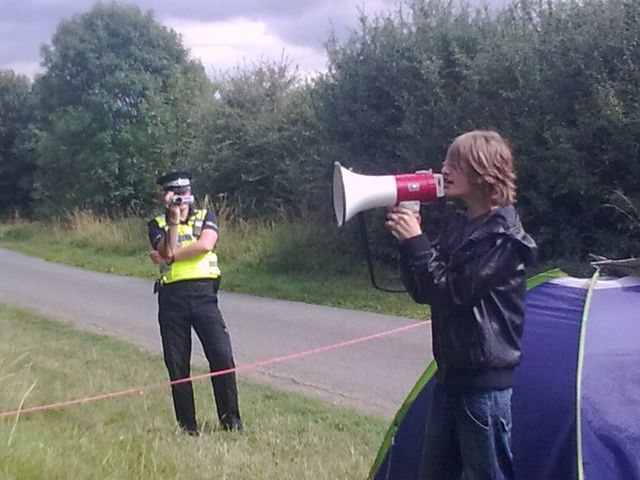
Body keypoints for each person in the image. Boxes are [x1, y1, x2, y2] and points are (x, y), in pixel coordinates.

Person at [385, 130, 537, 479]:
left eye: (455, 163)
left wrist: (417, 243)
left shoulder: (502, 239)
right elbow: (425, 290)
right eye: (446, 161)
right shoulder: (462, 226)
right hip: (451, 379)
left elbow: (451, 292)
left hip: (482, 387)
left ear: (483, 173)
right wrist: (408, 243)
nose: (444, 169)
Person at [147, 170, 242, 435]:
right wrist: (173, 223)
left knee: (222, 356)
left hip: (204, 296)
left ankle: (231, 423)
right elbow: (166, 249)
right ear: (165, 197)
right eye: (175, 194)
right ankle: (188, 428)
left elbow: (205, 245)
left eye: (185, 193)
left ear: (191, 193)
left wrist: (170, 256)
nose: (181, 199)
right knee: (177, 364)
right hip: (171, 299)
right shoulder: (157, 224)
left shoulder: (206, 216)